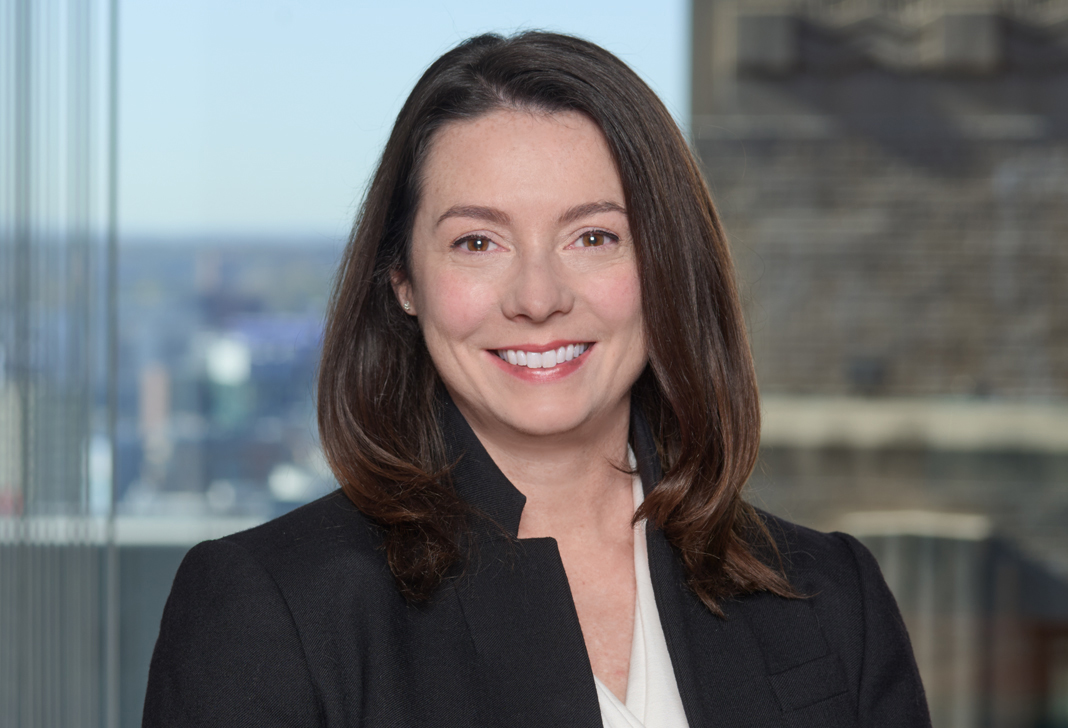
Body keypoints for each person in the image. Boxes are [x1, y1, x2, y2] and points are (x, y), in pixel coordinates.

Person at [143, 31, 931, 728]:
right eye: (477, 243)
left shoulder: (833, 595)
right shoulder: (271, 611)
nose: (539, 297)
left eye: (593, 237)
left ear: (666, 266)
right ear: (403, 281)